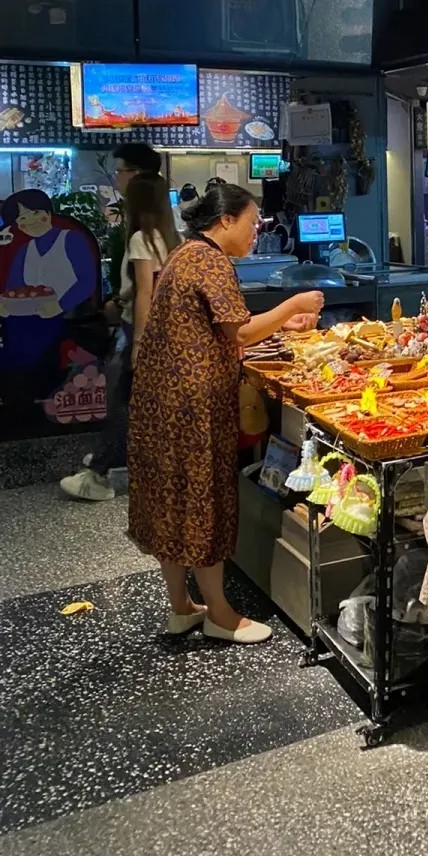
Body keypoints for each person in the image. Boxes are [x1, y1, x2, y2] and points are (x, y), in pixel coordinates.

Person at [127, 183, 324, 643]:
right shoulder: (209, 260)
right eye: (253, 222)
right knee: (204, 502)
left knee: (172, 503)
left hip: (163, 404)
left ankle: (182, 607)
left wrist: (283, 322)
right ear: (226, 220)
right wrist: (294, 304)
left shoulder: (185, 254)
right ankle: (219, 614)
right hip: (193, 410)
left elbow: (217, 327)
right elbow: (240, 332)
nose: (257, 231)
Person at [61, 174, 179, 501]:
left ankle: (98, 474)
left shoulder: (142, 239)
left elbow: (144, 293)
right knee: (144, 403)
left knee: (123, 402)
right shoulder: (174, 239)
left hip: (139, 331)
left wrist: (138, 342)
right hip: (167, 333)